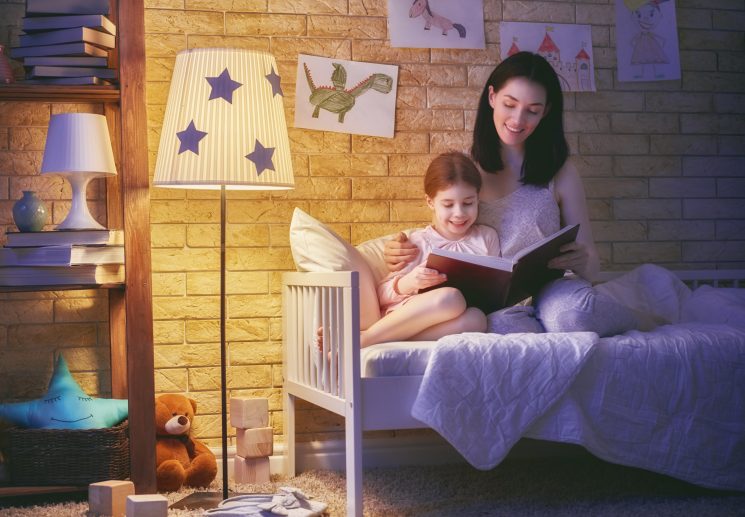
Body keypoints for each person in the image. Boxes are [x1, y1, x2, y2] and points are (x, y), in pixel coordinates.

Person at [384, 51, 639, 336]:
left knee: (573, 317)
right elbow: (441, 230)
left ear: (546, 111)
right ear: (492, 97)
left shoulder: (561, 171)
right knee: (502, 331)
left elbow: (592, 265)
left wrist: (583, 261)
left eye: (532, 110)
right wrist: (401, 250)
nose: (518, 119)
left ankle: (639, 318)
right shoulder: (463, 170)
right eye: (510, 104)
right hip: (495, 302)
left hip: (554, 289)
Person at [320, 151, 500, 351]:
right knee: (451, 298)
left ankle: (380, 341)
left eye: (468, 203)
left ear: (478, 199)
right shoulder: (416, 242)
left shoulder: (487, 238)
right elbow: (381, 295)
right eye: (448, 204)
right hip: (409, 314)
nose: (459, 213)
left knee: (478, 319)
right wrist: (410, 282)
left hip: (447, 324)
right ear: (430, 202)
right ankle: (367, 337)